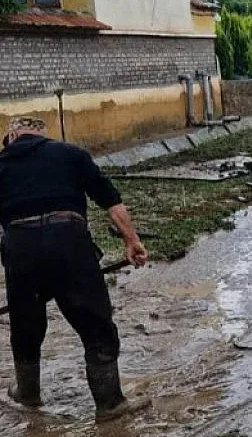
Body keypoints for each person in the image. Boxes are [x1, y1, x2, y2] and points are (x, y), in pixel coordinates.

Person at [0, 117, 151, 421]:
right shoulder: (71, 154)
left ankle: (28, 394)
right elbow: (113, 203)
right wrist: (132, 242)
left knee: (26, 325)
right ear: (44, 136)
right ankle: (109, 404)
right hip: (69, 243)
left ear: (12, 136)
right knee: (96, 324)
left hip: (21, 249)